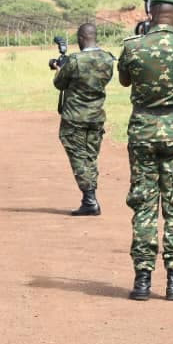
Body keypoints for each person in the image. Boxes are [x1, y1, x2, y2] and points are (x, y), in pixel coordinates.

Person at [117, 0, 173, 301]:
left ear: (151, 14)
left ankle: (142, 280)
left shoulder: (132, 47)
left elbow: (125, 82)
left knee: (144, 204)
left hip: (142, 130)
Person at [52, 23, 115, 216]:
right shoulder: (108, 58)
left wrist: (58, 67)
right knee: (90, 156)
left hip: (75, 118)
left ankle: (90, 200)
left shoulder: (75, 61)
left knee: (78, 156)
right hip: (96, 116)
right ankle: (89, 197)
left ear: (80, 39)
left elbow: (59, 83)